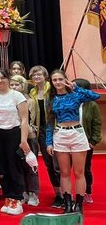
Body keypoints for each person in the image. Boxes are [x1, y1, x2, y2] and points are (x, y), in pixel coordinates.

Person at [45, 70, 100, 214]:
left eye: (60, 79)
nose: (58, 82)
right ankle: (68, 204)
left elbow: (96, 96)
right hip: (60, 134)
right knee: (64, 173)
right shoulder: (51, 99)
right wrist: (49, 142)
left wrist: (76, 87)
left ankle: (79, 205)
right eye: (54, 80)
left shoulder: (75, 95)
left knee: (79, 172)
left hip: (77, 134)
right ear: (51, 82)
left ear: (65, 80)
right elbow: (49, 122)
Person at [0, 68, 31, 215]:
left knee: (14, 166)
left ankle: (17, 198)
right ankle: (8, 197)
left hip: (13, 133)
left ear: (8, 79)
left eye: (3, 78)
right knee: (1, 167)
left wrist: (23, 140)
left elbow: (24, 120)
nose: (0, 81)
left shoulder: (17, 96)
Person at [28, 65, 63, 208]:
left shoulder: (52, 89)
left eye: (39, 74)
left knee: (57, 164)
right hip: (39, 131)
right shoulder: (32, 92)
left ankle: (65, 193)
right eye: (34, 75)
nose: (36, 77)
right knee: (49, 164)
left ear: (45, 76)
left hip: (55, 129)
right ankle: (58, 193)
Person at [10, 75, 40, 207]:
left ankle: (33, 193)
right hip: (13, 136)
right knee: (18, 166)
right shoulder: (8, 100)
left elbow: (29, 121)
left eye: (16, 84)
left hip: (29, 137)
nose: (14, 87)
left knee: (31, 166)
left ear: (23, 86)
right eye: (11, 85)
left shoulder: (30, 101)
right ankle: (22, 191)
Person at [74, 78, 101, 205]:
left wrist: (93, 141)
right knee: (66, 169)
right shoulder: (68, 101)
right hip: (68, 139)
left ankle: (87, 191)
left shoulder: (92, 105)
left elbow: (97, 124)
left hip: (85, 141)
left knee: (85, 168)